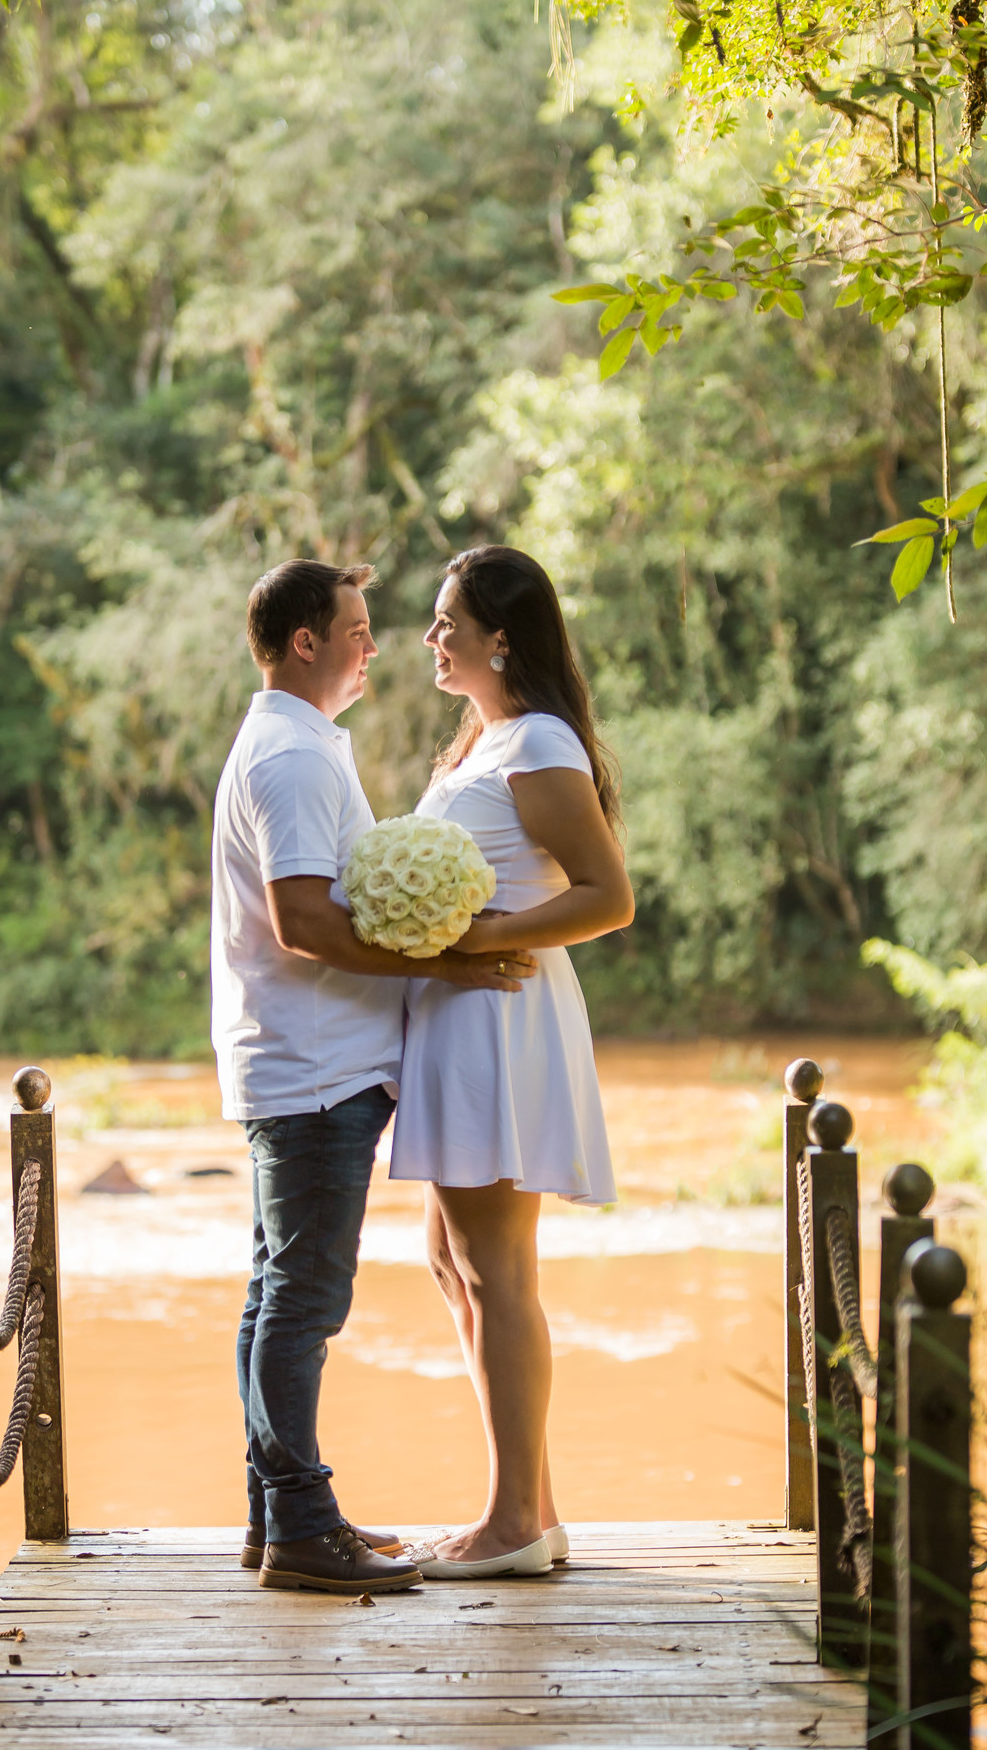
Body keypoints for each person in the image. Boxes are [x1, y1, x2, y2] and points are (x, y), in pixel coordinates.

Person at [210, 557, 537, 1596]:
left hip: (309, 1063)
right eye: (357, 626)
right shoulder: (294, 760)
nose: (375, 642)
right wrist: (446, 960)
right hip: (313, 1071)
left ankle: (278, 1518)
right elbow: (305, 923)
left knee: (280, 1298)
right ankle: (304, 1524)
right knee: (303, 1301)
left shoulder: (297, 743)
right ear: (306, 641)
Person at [391, 545, 635, 1580]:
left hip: (498, 1015)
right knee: (453, 1261)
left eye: (451, 620)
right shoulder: (481, 743)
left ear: (503, 637)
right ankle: (531, 1504)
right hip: (459, 1016)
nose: (433, 636)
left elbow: (606, 896)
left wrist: (477, 941)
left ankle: (511, 1527)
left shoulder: (537, 740)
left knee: (496, 1271)